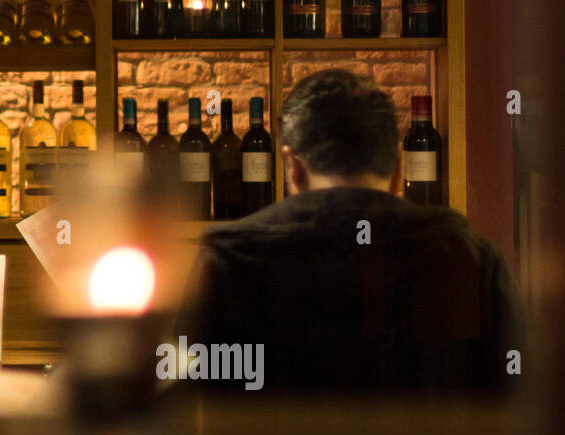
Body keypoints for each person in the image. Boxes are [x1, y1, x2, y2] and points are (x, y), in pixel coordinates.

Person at [179, 69, 521, 394]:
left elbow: (182, 395)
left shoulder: (227, 259)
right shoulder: (471, 257)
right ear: (397, 170)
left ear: (293, 167)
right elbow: (517, 396)